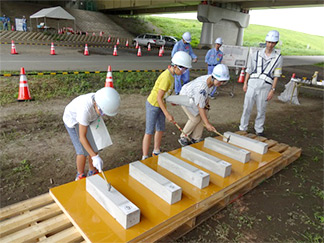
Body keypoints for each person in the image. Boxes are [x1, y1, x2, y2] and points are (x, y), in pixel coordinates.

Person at [142, 51, 192, 160]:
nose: (184, 72)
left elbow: (164, 95)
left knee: (160, 128)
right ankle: (145, 156)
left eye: (185, 69)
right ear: (175, 66)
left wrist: (171, 100)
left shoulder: (172, 75)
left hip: (161, 104)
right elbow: (158, 98)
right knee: (149, 131)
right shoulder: (166, 77)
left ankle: (156, 151)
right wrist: (167, 114)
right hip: (153, 105)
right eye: (183, 69)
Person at [63, 87, 121, 180]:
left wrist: (95, 154)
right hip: (73, 121)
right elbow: (82, 137)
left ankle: (92, 171)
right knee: (82, 151)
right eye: (102, 112)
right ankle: (80, 175)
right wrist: (95, 157)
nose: (103, 115)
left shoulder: (102, 100)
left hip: (90, 118)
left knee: (95, 146)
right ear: (96, 104)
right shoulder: (84, 111)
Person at [239, 30, 283, 137]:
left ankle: (259, 129)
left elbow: (277, 75)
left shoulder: (278, 57)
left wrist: (272, 90)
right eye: (268, 42)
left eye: (273, 43)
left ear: (276, 43)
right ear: (266, 41)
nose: (270, 45)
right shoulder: (256, 54)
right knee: (247, 107)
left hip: (266, 85)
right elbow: (249, 69)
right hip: (252, 83)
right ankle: (242, 128)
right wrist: (245, 83)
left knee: (261, 109)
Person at [178, 64, 230, 146]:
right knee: (195, 118)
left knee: (203, 116)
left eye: (223, 81)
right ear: (214, 77)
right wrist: (208, 124)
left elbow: (206, 97)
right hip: (185, 96)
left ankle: (196, 138)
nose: (221, 83)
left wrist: (207, 106)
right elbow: (200, 107)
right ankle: (183, 137)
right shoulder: (202, 88)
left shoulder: (212, 81)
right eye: (220, 81)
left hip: (194, 97)